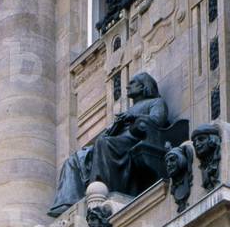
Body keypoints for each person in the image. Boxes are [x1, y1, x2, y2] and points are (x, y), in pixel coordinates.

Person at [47, 73, 169, 216]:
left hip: (135, 140)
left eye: (133, 83)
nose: (127, 86)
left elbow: (158, 120)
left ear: (143, 87)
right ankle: (66, 202)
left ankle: (101, 189)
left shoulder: (155, 102)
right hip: (118, 141)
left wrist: (133, 117)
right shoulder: (130, 108)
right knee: (75, 159)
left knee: (103, 143)